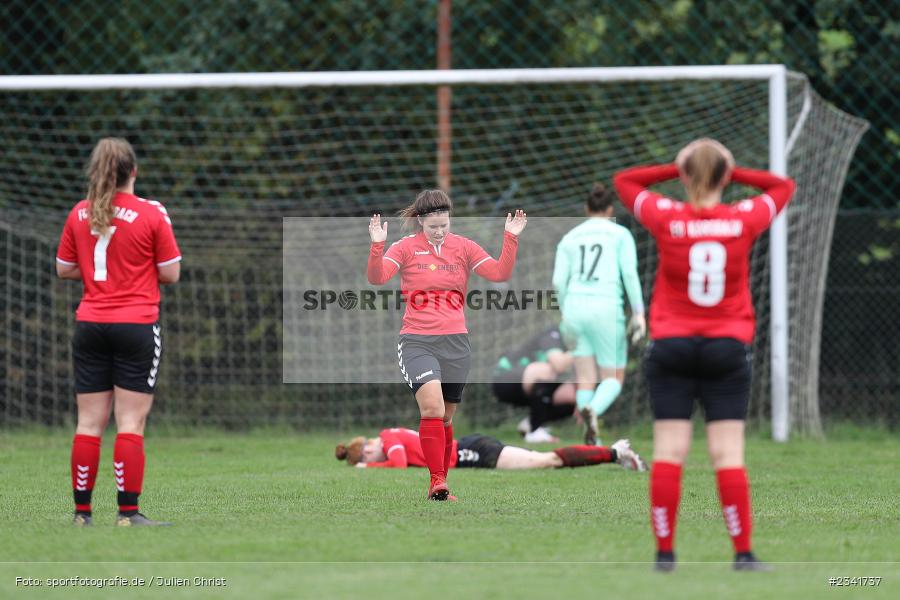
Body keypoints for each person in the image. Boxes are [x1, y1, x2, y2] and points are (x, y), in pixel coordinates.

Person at [614, 138, 795, 572]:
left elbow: (625, 180)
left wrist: (675, 168)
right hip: (726, 348)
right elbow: (782, 186)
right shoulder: (742, 218)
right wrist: (733, 171)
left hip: (672, 347)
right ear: (723, 175)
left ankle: (664, 555)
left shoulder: (668, 217)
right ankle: (743, 554)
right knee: (727, 455)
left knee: (669, 452)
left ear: (687, 174)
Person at [367, 191, 527, 501]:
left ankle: (442, 481)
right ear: (421, 223)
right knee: (432, 408)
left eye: (444, 225)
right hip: (416, 341)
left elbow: (500, 273)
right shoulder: (405, 248)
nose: (440, 231)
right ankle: (436, 481)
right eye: (433, 226)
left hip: (456, 342)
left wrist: (510, 238)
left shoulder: (463, 246)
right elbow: (377, 278)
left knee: (446, 418)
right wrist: (377, 245)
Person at [56, 137, 181, 527]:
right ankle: (128, 515)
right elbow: (171, 273)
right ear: (134, 172)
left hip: (90, 324)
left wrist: (99, 276)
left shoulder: (80, 212)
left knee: (88, 423)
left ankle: (81, 514)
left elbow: (63, 268)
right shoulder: (151, 213)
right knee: (130, 423)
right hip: (136, 325)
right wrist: (136, 271)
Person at [552, 183, 646, 446]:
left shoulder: (570, 237)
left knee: (585, 379)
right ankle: (592, 411)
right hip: (605, 309)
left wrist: (564, 312)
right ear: (610, 209)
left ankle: (589, 439)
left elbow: (559, 282)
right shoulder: (620, 234)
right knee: (613, 377)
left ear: (586, 209)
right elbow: (629, 274)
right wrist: (639, 313)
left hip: (574, 310)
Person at [336, 428, 646, 471]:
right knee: (545, 460)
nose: (371, 457)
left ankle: (615, 452)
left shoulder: (389, 439)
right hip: (470, 449)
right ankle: (615, 453)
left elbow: (400, 463)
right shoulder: (390, 436)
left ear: (368, 447)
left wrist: (368, 468)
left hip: (471, 452)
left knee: (546, 460)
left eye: (366, 455)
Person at [492, 326, 577, 443]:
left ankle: (531, 423)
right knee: (546, 370)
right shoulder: (553, 334)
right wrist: (583, 349)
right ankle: (534, 430)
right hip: (505, 379)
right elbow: (559, 364)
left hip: (530, 383)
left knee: (574, 394)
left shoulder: (572, 340)